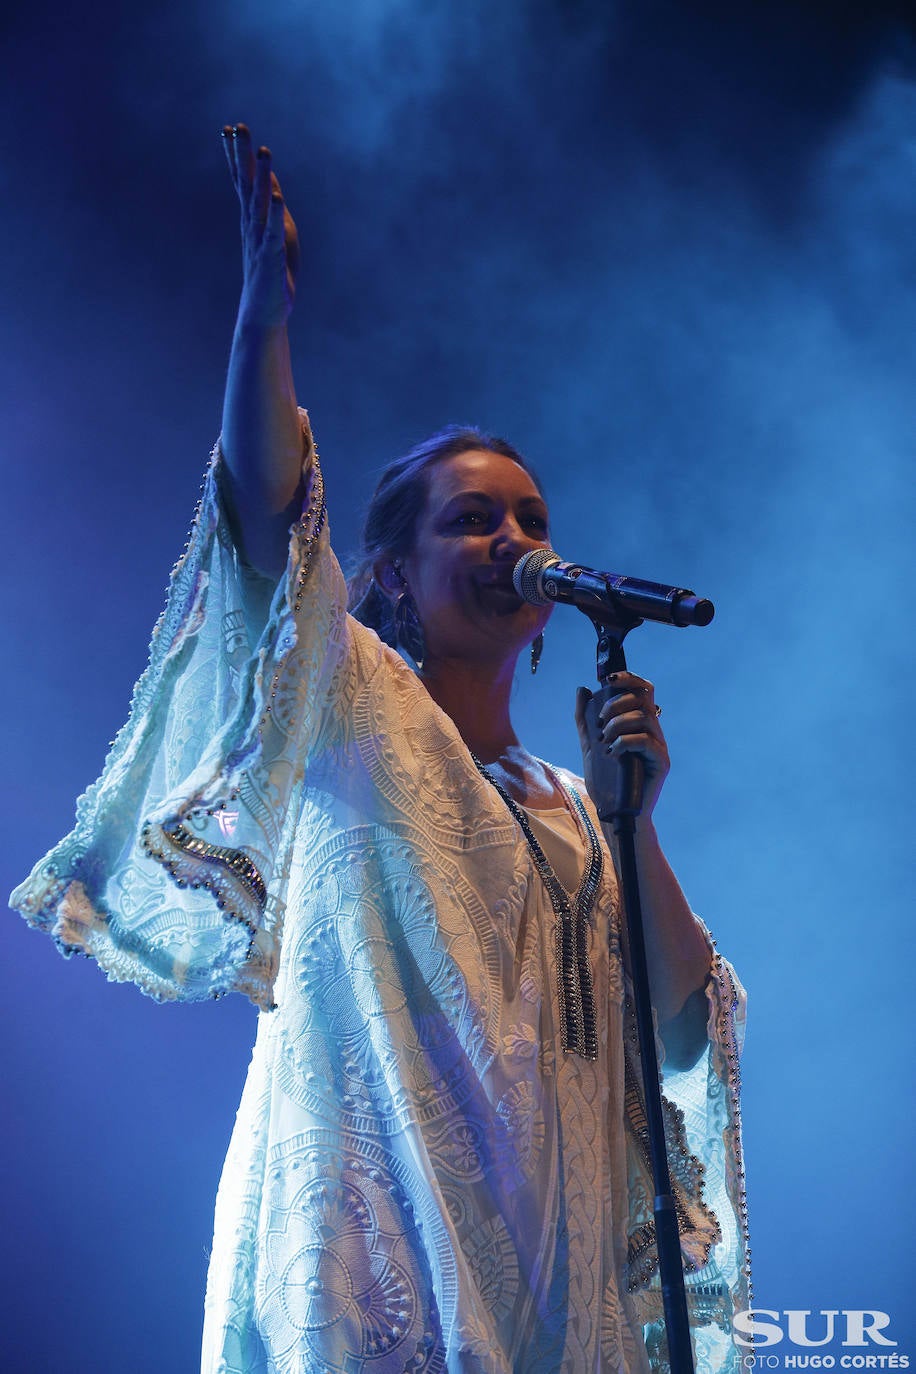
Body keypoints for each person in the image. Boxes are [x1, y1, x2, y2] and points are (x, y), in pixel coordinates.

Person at [10, 125, 749, 1373]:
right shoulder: (354, 704)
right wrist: (262, 323)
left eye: (531, 517)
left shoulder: (578, 806)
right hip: (379, 1245)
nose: (514, 536)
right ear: (393, 576)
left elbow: (683, 1034)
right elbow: (265, 518)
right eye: (473, 519)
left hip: (553, 1281)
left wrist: (639, 821)